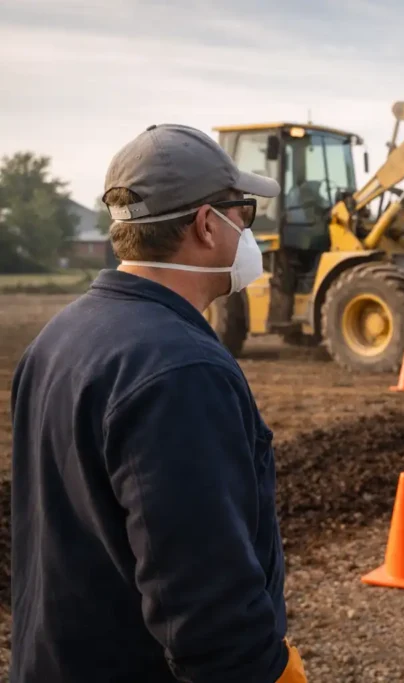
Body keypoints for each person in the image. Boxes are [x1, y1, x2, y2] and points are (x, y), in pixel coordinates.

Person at [10, 124, 307, 682]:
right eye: (243, 213)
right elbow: (205, 603)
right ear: (205, 224)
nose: (248, 230)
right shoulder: (179, 370)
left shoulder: (57, 339)